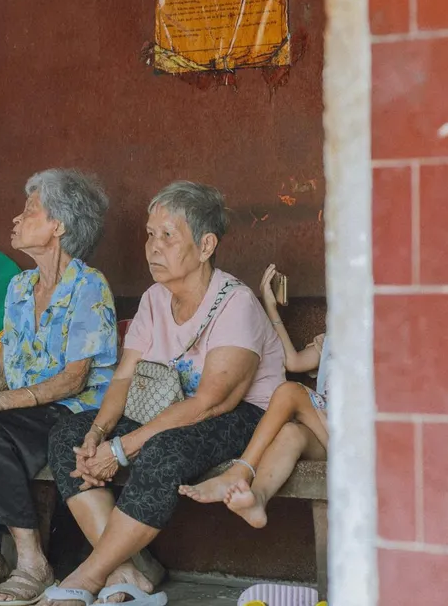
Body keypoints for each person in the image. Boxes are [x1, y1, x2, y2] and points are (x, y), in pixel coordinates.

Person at [42, 181, 286, 606]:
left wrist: (121, 450)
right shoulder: (155, 299)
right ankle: (127, 568)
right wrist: (99, 434)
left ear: (206, 245)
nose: (153, 247)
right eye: (150, 234)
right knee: (69, 437)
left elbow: (213, 401)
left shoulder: (236, 303)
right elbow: (123, 378)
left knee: (161, 451)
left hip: (245, 418)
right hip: (168, 411)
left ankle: (89, 575)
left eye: (168, 236)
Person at [0, 169, 117, 606]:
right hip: (27, 408)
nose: (16, 219)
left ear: (60, 225)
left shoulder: (89, 286)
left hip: (75, 411)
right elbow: (8, 366)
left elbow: (75, 378)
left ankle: (33, 563)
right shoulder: (20, 286)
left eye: (29, 210)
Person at [179, 264, 329, 528]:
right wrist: (270, 307)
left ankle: (239, 471)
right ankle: (258, 499)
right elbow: (292, 361)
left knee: (288, 391)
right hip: (325, 433)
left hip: (356, 439)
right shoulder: (329, 342)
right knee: (291, 434)